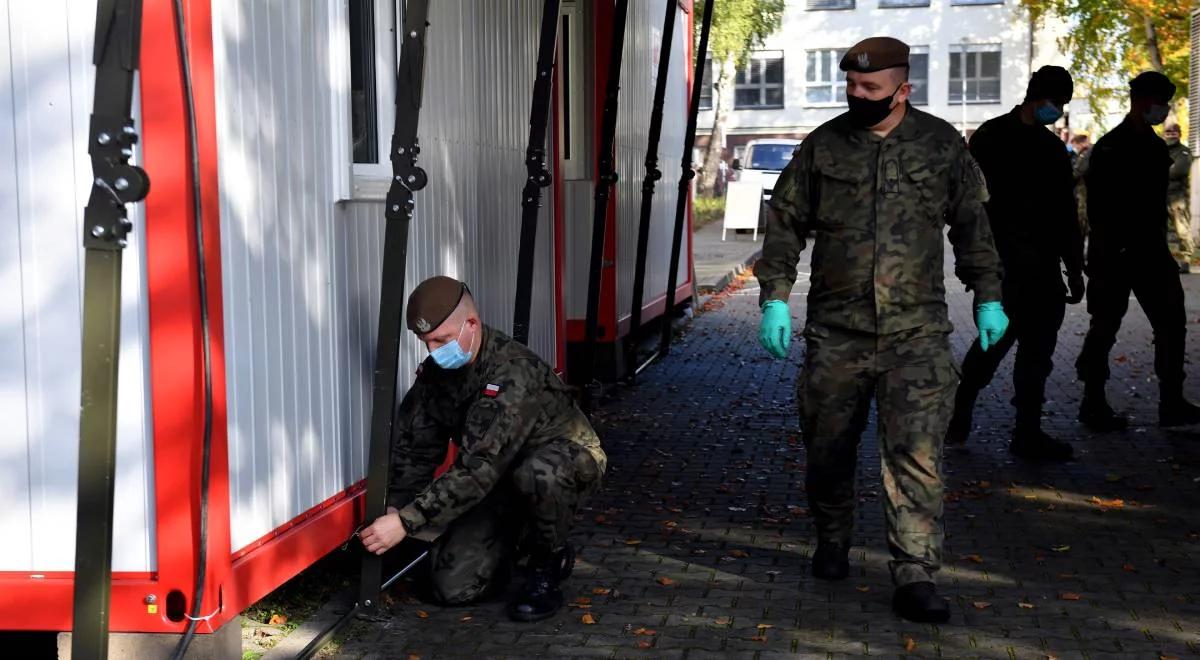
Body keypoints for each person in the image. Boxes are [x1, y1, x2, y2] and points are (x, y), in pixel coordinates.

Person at [754, 37, 1006, 623]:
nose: (857, 95)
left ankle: (915, 572)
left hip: (915, 335)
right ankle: (833, 536)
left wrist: (988, 297)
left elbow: (973, 227)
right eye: (851, 86)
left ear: (903, 89)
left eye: (870, 88)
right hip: (837, 333)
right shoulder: (824, 146)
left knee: (915, 455)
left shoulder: (941, 145)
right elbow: (785, 224)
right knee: (828, 447)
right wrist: (774, 299)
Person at [358, 276, 607, 622]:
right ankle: (512, 538)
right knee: (452, 588)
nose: (433, 351)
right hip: (497, 478)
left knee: (538, 474)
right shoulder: (435, 376)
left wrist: (407, 522)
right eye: (426, 342)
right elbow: (416, 451)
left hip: (561, 462)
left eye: (442, 340)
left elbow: (478, 469)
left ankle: (547, 562)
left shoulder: (512, 373)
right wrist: (393, 510)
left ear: (471, 324)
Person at [944, 66, 1084, 461]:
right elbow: (967, 205)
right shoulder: (992, 139)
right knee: (994, 343)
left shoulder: (1049, 148)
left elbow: (1064, 214)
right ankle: (962, 411)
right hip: (1003, 268)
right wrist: (972, 263)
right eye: (1058, 103)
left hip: (1040, 268)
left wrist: (1074, 267)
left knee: (1036, 354)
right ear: (1038, 97)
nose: (1058, 111)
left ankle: (1026, 432)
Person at [1076, 72, 1200, 429]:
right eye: (1164, 103)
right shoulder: (1118, 146)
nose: (1165, 111)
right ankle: (1094, 403)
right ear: (1148, 102)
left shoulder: (1143, 144)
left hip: (1142, 251)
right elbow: (1103, 205)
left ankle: (1170, 402)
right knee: (1106, 327)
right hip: (1121, 253)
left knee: (1169, 324)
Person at [1165, 123, 1193, 273]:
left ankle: (1186, 260)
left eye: (1173, 132)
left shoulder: (1184, 152)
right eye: (1168, 132)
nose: (1170, 135)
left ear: (1179, 134)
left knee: (1182, 229)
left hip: (1177, 197)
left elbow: (1178, 170)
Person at [1070, 133, 1092, 237]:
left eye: (1075, 145)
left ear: (1082, 143)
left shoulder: (1086, 154)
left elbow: (1077, 172)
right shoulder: (1086, 153)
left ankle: (1082, 234)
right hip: (1084, 189)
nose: (1075, 148)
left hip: (1083, 190)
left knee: (1082, 214)